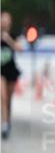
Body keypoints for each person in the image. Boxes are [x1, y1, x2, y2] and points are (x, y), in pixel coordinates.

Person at [1, 11, 24, 139]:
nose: (3, 21)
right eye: (1, 19)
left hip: (10, 69)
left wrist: (8, 39)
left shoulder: (14, 35)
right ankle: (4, 124)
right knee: (2, 96)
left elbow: (20, 49)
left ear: (10, 22)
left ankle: (8, 120)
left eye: (6, 19)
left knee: (9, 98)